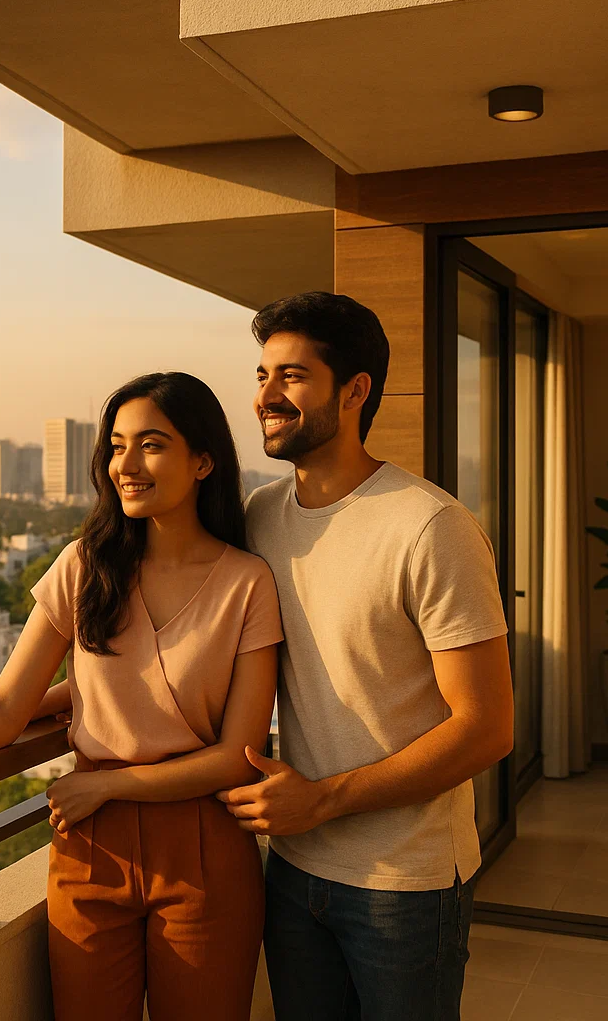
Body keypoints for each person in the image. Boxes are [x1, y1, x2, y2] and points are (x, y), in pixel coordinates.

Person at [0, 372, 283, 1021]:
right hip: (90, 844)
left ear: (203, 460)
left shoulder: (247, 582)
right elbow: (8, 705)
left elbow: (238, 755)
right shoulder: (84, 567)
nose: (126, 464)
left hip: (200, 842)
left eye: (151, 444)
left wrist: (111, 786)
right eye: (117, 445)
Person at [218, 291, 514, 1021]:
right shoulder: (260, 519)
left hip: (405, 883)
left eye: (291, 376)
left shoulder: (429, 527)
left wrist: (322, 800)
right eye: (262, 375)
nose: (266, 396)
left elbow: (486, 727)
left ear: (355, 391)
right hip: (292, 870)